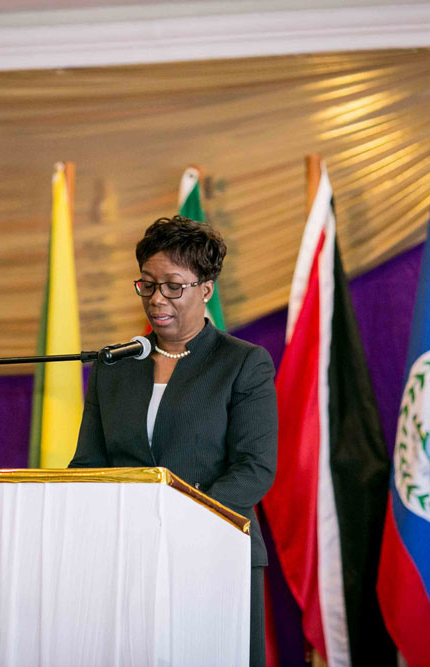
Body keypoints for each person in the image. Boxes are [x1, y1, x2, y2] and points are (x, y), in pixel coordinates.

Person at [70, 215, 278, 666]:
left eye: (173, 286)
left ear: (206, 289)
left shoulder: (243, 363)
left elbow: (254, 467)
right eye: (147, 284)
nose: (157, 299)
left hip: (214, 550)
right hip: (127, 556)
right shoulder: (114, 366)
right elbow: (88, 464)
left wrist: (182, 518)